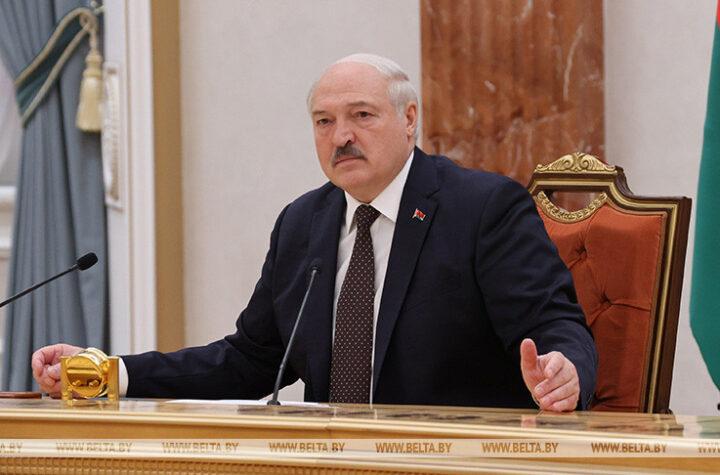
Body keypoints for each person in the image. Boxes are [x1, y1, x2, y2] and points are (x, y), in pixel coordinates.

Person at [32, 54, 597, 411]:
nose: (340, 136)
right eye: (324, 122)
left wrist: (563, 371)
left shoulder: (481, 208)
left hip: (447, 459)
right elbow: (249, 359)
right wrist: (108, 372)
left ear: (409, 120)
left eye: (362, 116)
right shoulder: (303, 222)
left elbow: (553, 324)